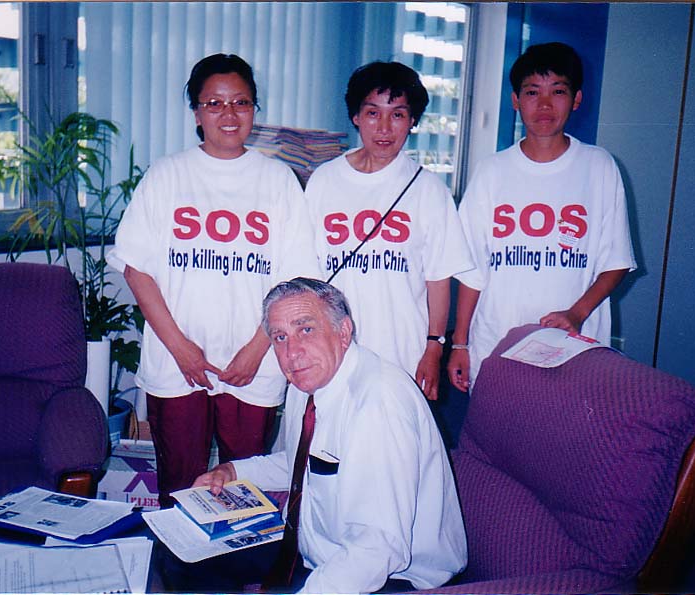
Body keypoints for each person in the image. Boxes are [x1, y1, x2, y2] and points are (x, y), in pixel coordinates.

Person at [107, 54, 318, 508]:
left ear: (255, 110)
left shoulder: (278, 180)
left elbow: (295, 283)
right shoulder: (168, 174)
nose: (229, 114)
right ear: (196, 113)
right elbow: (137, 269)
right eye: (214, 103)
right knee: (180, 488)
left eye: (241, 102)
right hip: (175, 360)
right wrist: (180, 348)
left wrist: (257, 348)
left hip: (253, 360)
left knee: (245, 489)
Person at [190, 277, 467, 594]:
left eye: (306, 329)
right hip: (317, 549)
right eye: (280, 337)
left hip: (392, 577)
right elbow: (304, 463)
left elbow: (378, 547)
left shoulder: (378, 403)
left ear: (344, 332)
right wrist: (233, 471)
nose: (292, 352)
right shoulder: (308, 382)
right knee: (186, 558)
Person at [447, 42, 637, 392]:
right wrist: (460, 345)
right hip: (495, 342)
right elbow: (472, 270)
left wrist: (576, 314)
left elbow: (616, 262)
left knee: (565, 425)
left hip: (574, 345)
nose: (545, 104)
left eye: (558, 91)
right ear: (515, 101)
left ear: (576, 99)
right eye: (533, 92)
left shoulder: (599, 167)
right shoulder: (491, 171)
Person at [305, 61, 474, 401]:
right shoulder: (324, 180)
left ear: (412, 121)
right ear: (356, 116)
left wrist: (434, 347)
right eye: (372, 113)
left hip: (402, 349)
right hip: (332, 346)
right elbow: (309, 270)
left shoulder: (428, 189)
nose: (384, 127)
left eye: (397, 114)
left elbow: (438, 279)